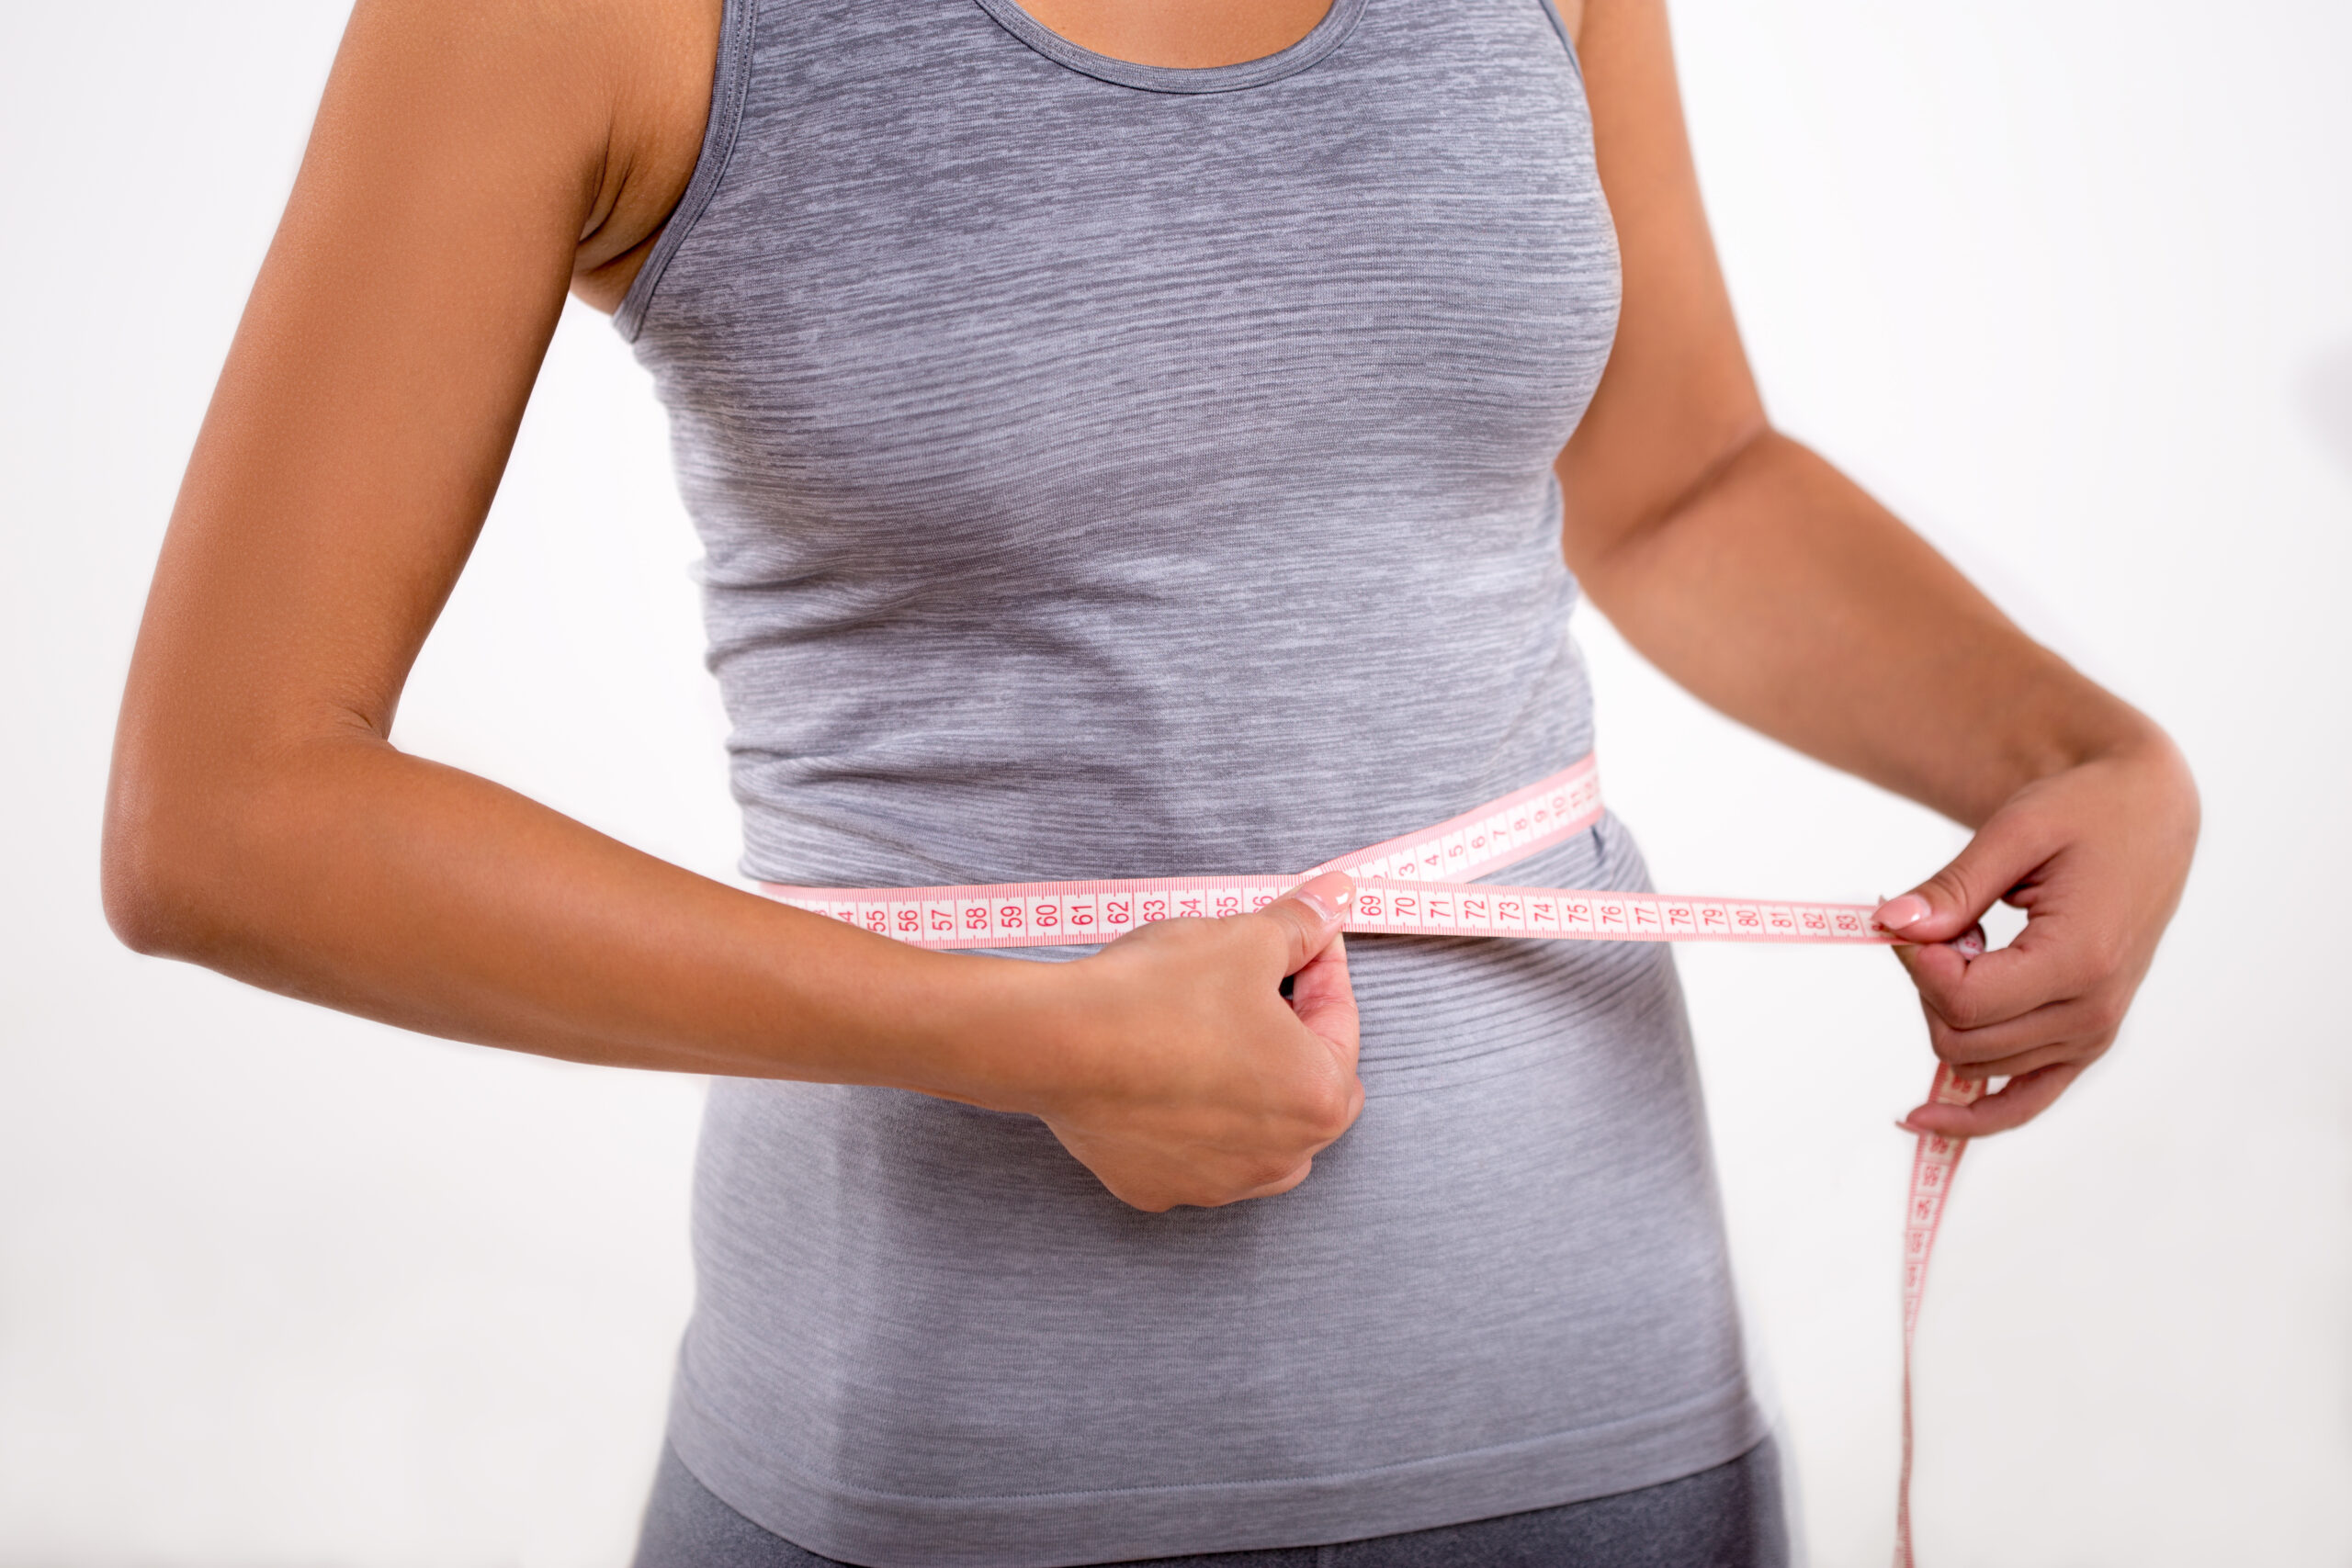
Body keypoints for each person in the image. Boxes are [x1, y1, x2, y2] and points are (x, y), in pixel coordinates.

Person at [100, 0, 2198, 1562]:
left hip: (1603, 1427)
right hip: (942, 1476)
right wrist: (994, 1027)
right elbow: (232, 809)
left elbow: (1671, 481)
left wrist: (2074, 752)